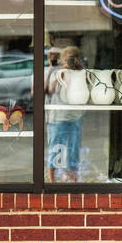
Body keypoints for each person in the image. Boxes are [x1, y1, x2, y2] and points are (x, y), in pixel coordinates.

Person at [45, 45, 84, 182]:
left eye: (72, 60)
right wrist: (60, 73)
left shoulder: (80, 73)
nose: (70, 63)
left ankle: (74, 179)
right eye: (67, 60)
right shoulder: (57, 72)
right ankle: (52, 181)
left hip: (74, 117)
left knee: (73, 151)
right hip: (57, 118)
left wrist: (79, 69)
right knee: (56, 149)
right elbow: (49, 90)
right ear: (62, 61)